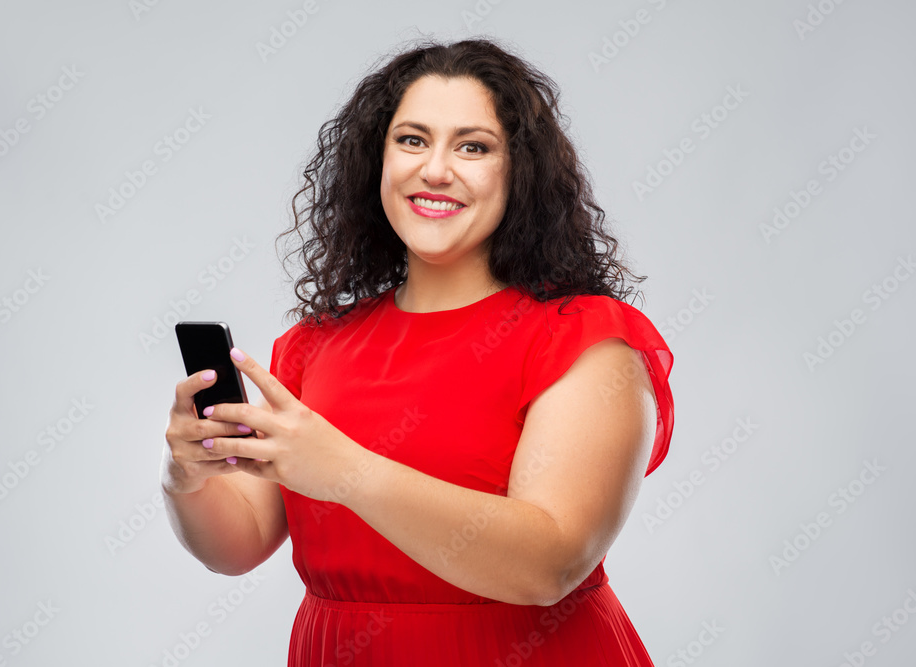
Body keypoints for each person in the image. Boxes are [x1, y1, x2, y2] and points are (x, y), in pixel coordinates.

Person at [161, 36, 675, 666]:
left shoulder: (584, 338)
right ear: (376, 160)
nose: (435, 170)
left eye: (473, 146)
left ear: (520, 172)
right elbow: (238, 546)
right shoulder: (313, 345)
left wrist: (346, 472)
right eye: (411, 140)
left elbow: (551, 565)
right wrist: (185, 475)